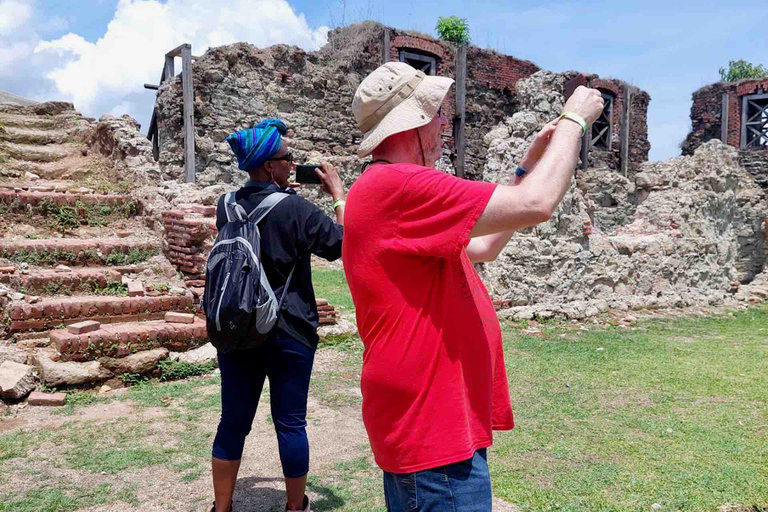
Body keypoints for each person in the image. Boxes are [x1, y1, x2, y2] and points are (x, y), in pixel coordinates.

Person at [342, 62, 604, 511]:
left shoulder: (387, 189)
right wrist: (574, 122)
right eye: (437, 113)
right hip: (431, 428)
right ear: (415, 122)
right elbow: (537, 205)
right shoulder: (400, 185)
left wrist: (528, 164)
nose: (444, 123)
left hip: (433, 419)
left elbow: (483, 245)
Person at [210, 119, 346, 512]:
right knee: (290, 422)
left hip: (236, 326)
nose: (293, 164)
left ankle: (221, 508)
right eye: (287, 158)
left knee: (232, 422)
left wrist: (276, 193)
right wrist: (338, 196)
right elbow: (340, 244)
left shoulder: (225, 206)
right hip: (290, 329)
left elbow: (256, 223)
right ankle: (294, 508)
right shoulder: (297, 208)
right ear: (270, 165)